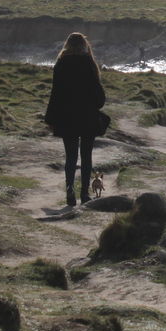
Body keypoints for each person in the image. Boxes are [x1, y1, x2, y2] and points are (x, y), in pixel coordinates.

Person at [43, 33, 106, 207]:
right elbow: (98, 94)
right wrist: (97, 104)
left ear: (67, 45)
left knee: (71, 156)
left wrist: (50, 118)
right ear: (84, 45)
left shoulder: (61, 63)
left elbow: (55, 94)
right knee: (86, 156)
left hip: (67, 117)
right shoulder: (89, 63)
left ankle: (70, 190)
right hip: (87, 116)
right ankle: (84, 193)